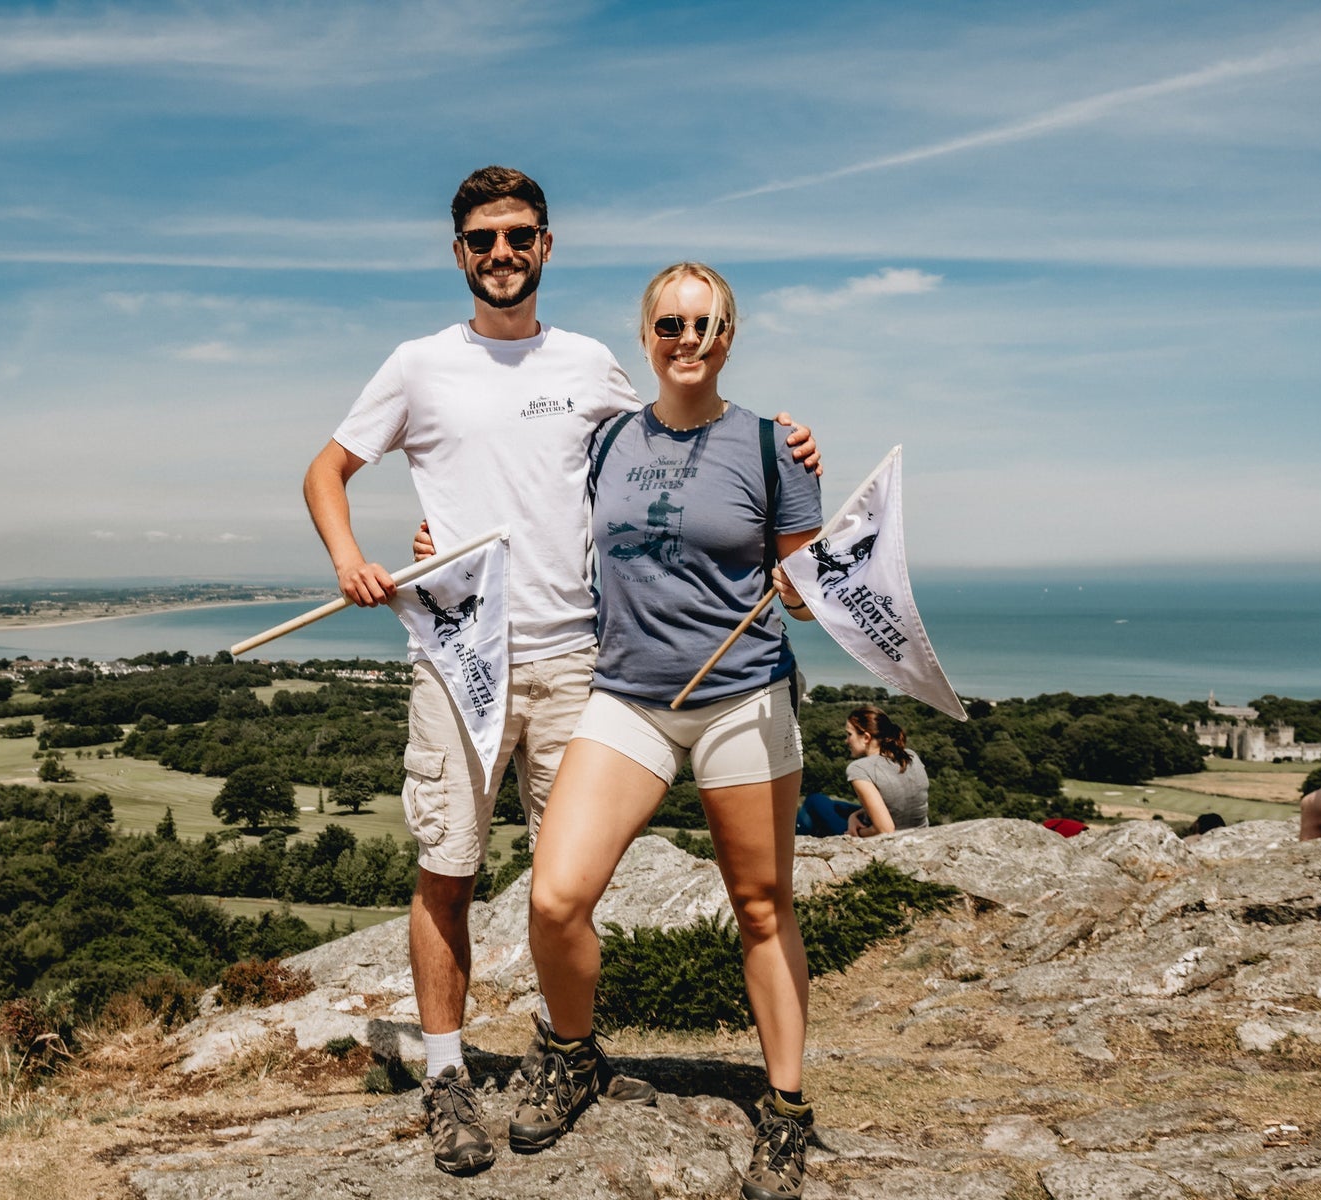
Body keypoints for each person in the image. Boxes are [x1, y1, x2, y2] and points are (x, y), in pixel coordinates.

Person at [302, 168, 821, 1176]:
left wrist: (783, 448)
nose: (502, 254)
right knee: (447, 869)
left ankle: (566, 1052)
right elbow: (326, 469)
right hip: (460, 655)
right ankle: (448, 1081)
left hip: (583, 655)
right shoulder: (416, 365)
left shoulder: (592, 368)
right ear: (459, 253)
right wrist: (357, 558)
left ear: (547, 245)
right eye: (483, 240)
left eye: (520, 236)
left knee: (559, 887)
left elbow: (674, 451)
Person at [510, 261, 823, 1200]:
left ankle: (785, 1110)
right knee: (556, 896)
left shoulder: (774, 447)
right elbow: (530, 514)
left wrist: (799, 590)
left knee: (761, 907)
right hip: (630, 696)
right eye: (671, 326)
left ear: (730, 336)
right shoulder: (608, 442)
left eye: (707, 326)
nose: (689, 342)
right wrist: (428, 545)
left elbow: (812, 594)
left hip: (742, 695)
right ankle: (572, 1052)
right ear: (645, 337)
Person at [798, 705, 930, 838]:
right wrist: (853, 816)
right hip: (917, 831)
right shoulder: (910, 755)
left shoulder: (860, 768)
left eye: (850, 734)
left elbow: (886, 829)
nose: (847, 740)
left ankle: (792, 846)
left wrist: (854, 832)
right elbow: (895, 802)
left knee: (814, 801)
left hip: (888, 839)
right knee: (834, 806)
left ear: (866, 738)